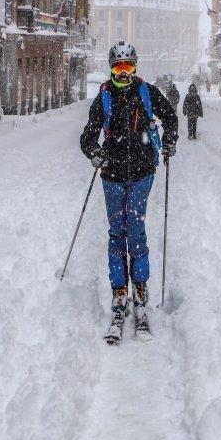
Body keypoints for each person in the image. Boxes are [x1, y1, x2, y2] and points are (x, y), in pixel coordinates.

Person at [80, 41, 179, 344]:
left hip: (140, 174)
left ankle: (141, 289)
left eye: (129, 67)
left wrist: (171, 140)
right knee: (116, 233)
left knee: (135, 231)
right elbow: (87, 136)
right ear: (111, 68)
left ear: (136, 66)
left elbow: (171, 118)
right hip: (110, 174)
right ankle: (119, 292)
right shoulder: (104, 97)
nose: (123, 73)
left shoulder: (146, 92)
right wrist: (94, 152)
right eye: (118, 68)